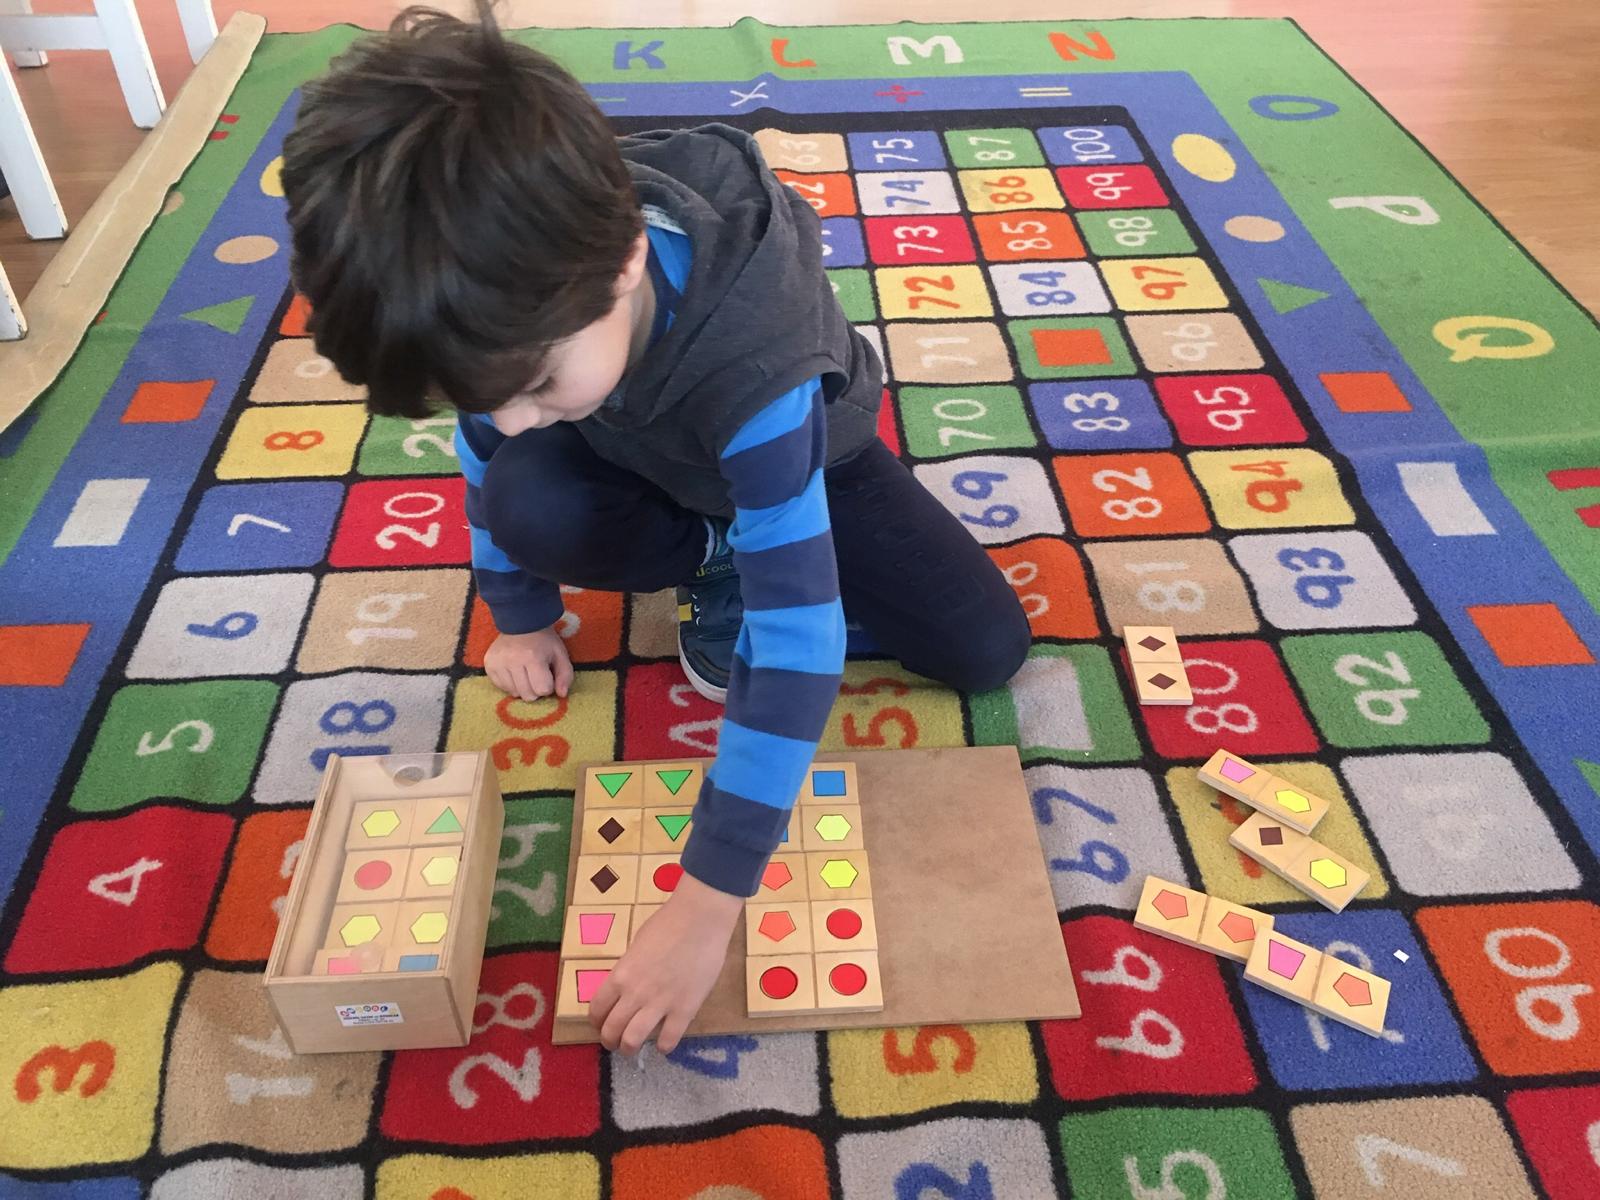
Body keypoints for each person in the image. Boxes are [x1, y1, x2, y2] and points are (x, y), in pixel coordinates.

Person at [279, 2, 1029, 1055]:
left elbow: (799, 639)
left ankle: (743, 550)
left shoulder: (755, 357)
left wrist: (706, 903)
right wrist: (519, 612)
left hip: (799, 457)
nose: (507, 420)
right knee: (527, 493)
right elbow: (495, 445)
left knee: (983, 649)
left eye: (536, 383)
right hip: (638, 448)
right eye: (483, 396)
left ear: (627, 260)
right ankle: (715, 558)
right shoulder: (515, 300)